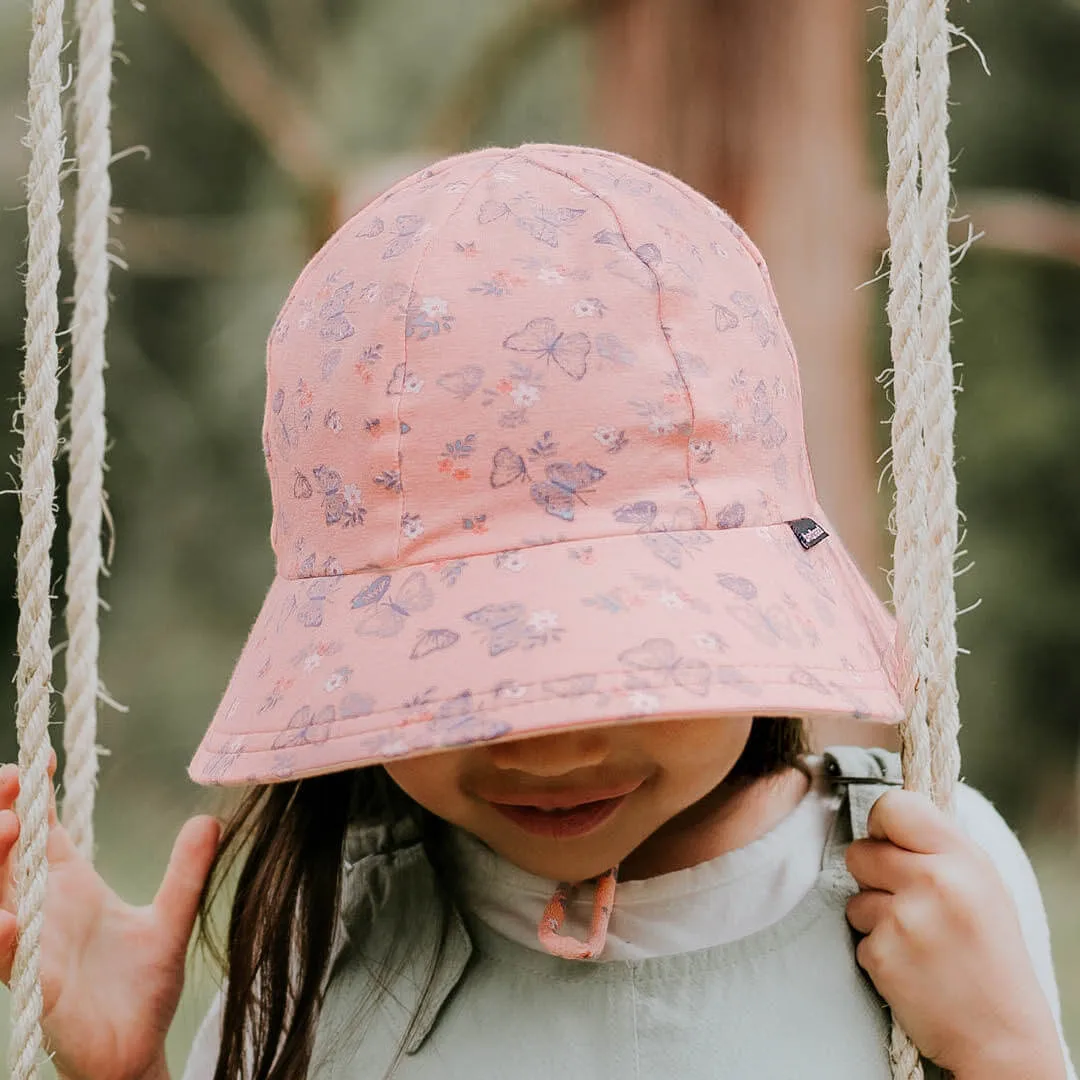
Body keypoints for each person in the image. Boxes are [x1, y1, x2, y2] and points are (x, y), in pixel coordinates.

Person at [0, 145, 1075, 1080]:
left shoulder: (929, 877)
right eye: (466, 676)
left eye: (626, 651)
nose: (553, 745)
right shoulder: (323, 932)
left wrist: (1007, 1056)